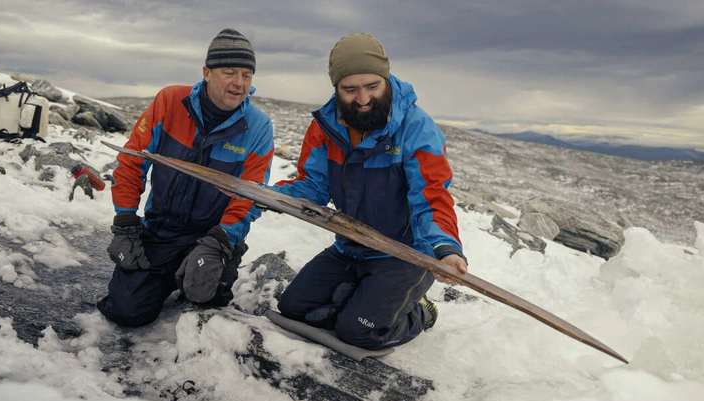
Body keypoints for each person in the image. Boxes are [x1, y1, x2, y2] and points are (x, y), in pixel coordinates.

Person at [272, 33, 467, 349]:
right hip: (351, 248)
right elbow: (314, 187)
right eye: (350, 90)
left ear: (386, 80)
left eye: (372, 87)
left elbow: (431, 194)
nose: (362, 99)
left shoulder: (416, 128)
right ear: (336, 89)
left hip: (406, 255)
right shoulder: (326, 128)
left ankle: (421, 313)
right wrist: (269, 196)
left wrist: (444, 246)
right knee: (294, 308)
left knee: (358, 333)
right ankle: (362, 296)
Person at [97, 28, 275, 327]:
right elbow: (132, 162)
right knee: (126, 311)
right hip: (160, 231)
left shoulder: (257, 127)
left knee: (204, 298)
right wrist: (125, 223)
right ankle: (168, 273)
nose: (239, 83)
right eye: (229, 72)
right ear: (207, 72)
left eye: (247, 75)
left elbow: (251, 195)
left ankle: (218, 264)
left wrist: (221, 240)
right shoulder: (170, 101)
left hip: (210, 236)